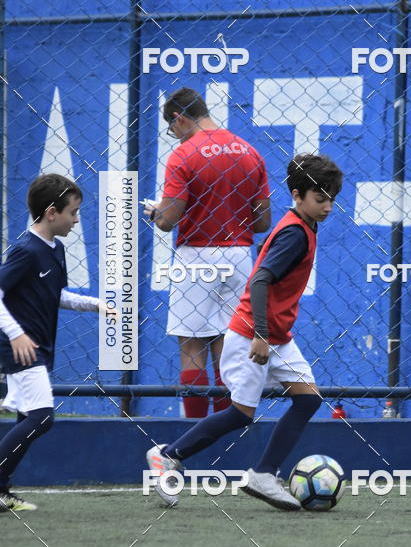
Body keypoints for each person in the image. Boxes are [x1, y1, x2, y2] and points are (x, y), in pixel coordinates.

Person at [146, 153, 343, 510]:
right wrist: (262, 335)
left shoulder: (306, 225)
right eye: (320, 198)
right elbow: (262, 279)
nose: (328, 206)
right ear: (297, 195)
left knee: (309, 398)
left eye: (331, 198)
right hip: (253, 335)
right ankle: (168, 455)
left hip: (277, 336)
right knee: (240, 413)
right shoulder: (295, 234)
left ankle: (264, 474)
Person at [144, 87, 271, 419]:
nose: (174, 136)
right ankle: (226, 435)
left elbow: (168, 221)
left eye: (172, 130)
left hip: (196, 257)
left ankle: (193, 436)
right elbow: (262, 222)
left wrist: (156, 212)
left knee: (191, 346)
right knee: (227, 348)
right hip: (241, 255)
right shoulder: (249, 151)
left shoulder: (184, 154)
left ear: (179, 118)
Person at [0, 173, 107, 513]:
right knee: (43, 417)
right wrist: (16, 334)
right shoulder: (25, 251)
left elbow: (55, 294)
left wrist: (95, 305)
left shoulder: (55, 249)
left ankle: (3, 491)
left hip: (40, 348)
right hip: (20, 349)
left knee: (25, 419)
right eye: (73, 213)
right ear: (51, 213)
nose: (76, 220)